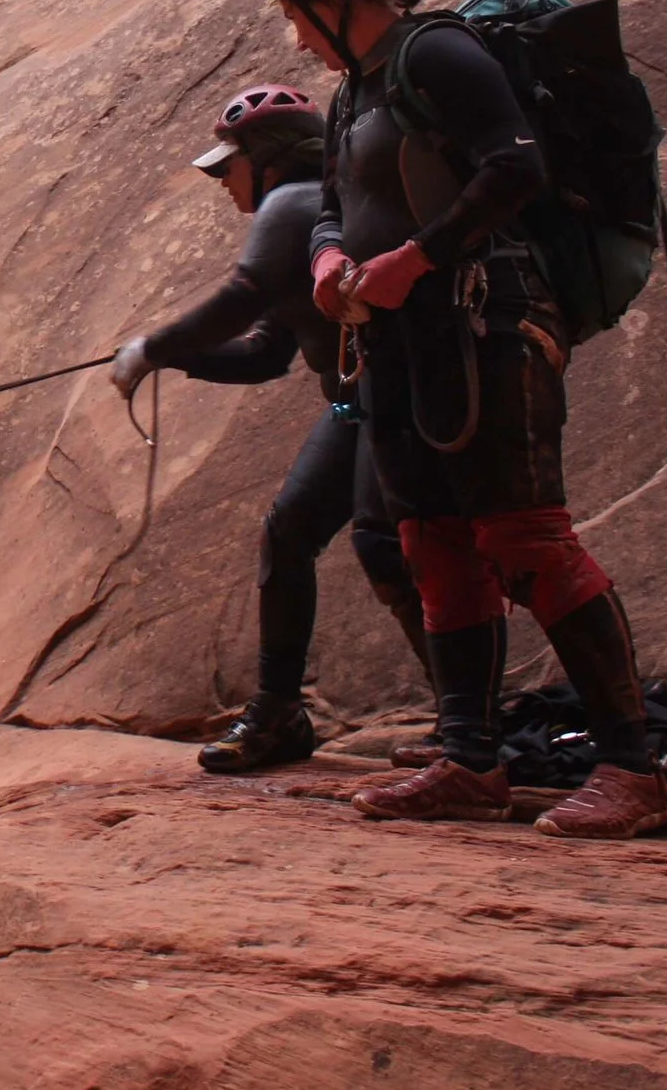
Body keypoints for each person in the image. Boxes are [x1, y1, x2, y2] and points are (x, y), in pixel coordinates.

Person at [269, 0, 667, 839]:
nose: (297, 38)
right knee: (433, 544)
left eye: (297, 16)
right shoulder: (354, 92)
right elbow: (332, 205)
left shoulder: (437, 52)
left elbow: (513, 166)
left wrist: (416, 257)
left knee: (525, 541)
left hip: (487, 320)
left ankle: (632, 767)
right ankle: (470, 762)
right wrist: (329, 259)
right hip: (402, 340)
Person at [111, 86, 435, 772]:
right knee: (294, 533)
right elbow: (265, 353)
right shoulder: (314, 208)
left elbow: (241, 301)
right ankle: (281, 711)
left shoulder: (292, 203)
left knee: (384, 545)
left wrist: (154, 348)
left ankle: (470, 724)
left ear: (267, 157)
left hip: (394, 401)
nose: (223, 181)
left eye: (228, 165)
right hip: (360, 404)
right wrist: (172, 358)